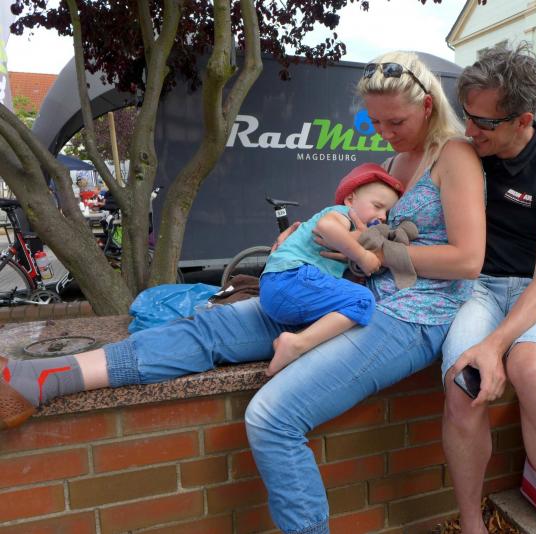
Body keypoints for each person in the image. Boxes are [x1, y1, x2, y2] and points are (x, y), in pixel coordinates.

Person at [0, 50, 486, 534]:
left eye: (395, 121)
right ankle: (42, 378)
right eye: (376, 122)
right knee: (209, 327)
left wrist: (380, 250)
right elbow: (358, 227)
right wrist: (310, 237)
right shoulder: (395, 161)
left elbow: (468, 260)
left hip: (413, 316)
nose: (385, 133)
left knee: (273, 417)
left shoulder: (455, 155)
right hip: (347, 295)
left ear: (427, 105)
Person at [441, 44, 536, 534]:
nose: (470, 129)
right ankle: (472, 524)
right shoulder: (467, 154)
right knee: (463, 384)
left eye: (484, 122)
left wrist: (496, 344)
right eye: (466, 115)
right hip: (479, 287)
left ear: (524, 120)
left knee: (532, 370)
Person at [261, 163, 404, 376]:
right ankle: (297, 343)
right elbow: (326, 227)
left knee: (341, 301)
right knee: (362, 300)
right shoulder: (342, 213)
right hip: (292, 277)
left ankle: (292, 344)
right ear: (350, 200)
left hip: (279, 287)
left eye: (387, 212)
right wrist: (363, 256)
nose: (382, 216)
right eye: (377, 206)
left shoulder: (354, 228)